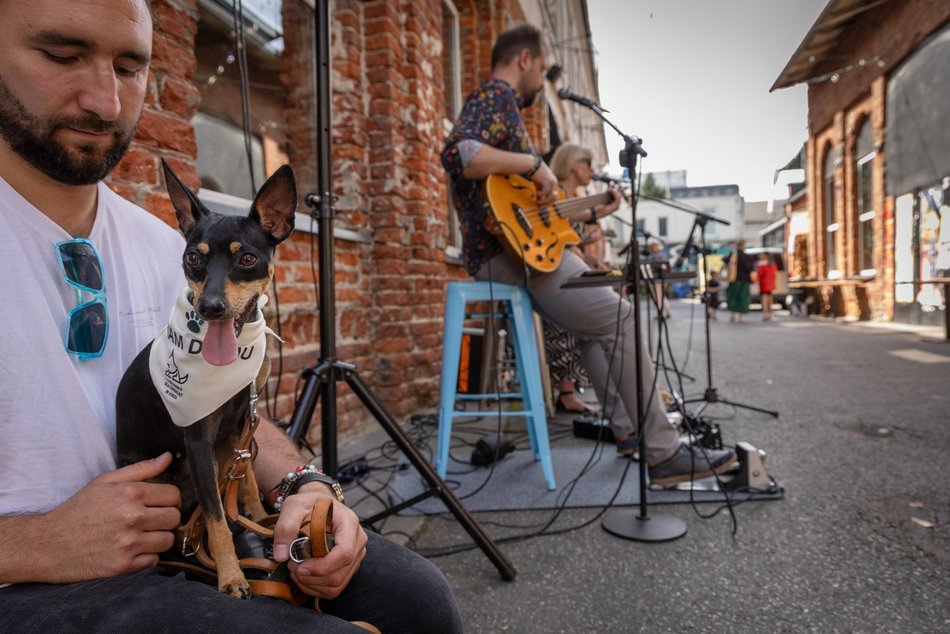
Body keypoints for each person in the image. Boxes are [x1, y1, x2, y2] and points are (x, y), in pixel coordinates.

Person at [0, 2, 461, 632]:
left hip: (182, 529)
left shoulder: (173, 247)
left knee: (419, 602)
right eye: (62, 55)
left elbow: (225, 402)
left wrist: (307, 486)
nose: (106, 101)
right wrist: (34, 543)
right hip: (25, 583)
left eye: (131, 66)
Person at [441, 23, 734, 482]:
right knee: (622, 318)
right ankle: (662, 450)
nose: (540, 81)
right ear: (526, 60)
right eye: (540, 69)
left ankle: (630, 434)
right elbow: (460, 153)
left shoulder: (502, 107)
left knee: (601, 326)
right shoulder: (495, 96)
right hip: (508, 256)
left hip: (521, 251)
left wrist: (593, 212)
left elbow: (535, 217)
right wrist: (534, 164)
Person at [542, 142, 611, 414]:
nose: (592, 171)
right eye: (589, 163)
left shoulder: (573, 196)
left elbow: (570, 242)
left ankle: (582, 385)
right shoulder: (554, 193)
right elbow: (556, 239)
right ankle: (566, 391)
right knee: (574, 313)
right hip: (550, 272)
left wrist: (590, 256)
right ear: (574, 164)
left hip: (563, 266)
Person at [724, 239, 756, 323]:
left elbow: (724, 260)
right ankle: (741, 316)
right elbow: (750, 268)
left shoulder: (733, 255)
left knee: (733, 297)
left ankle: (733, 314)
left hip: (734, 279)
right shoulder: (747, 257)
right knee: (743, 297)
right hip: (744, 280)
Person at [756, 252, 778, 321]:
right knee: (770, 300)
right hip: (770, 284)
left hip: (764, 284)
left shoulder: (762, 264)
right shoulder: (773, 264)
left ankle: (765, 315)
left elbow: (760, 274)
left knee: (764, 300)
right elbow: (775, 273)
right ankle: (770, 314)